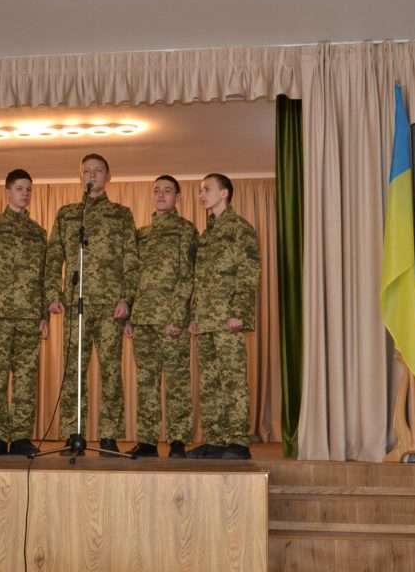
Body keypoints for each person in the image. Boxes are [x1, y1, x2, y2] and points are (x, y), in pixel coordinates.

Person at [45, 153, 138, 454]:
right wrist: (54, 295)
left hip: (111, 306)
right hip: (76, 305)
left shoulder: (121, 214)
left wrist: (126, 298)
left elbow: (131, 259)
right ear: (80, 176)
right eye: (87, 171)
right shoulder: (67, 214)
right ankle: (74, 433)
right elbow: (53, 258)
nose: (93, 175)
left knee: (111, 371)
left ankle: (109, 435)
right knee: (73, 371)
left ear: (108, 177)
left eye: (99, 171)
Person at [0, 169, 49, 457]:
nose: (25, 193)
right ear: (7, 192)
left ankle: (22, 437)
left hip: (29, 316)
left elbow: (45, 276)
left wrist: (44, 314)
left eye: (28, 189)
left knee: (26, 378)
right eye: (19, 188)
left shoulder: (38, 233)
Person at [123, 175, 198, 458]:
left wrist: (178, 318)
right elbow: (133, 276)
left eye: (167, 190)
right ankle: (148, 441)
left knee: (177, 381)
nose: (161, 195)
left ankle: (178, 440)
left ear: (177, 196)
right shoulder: (141, 234)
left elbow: (188, 276)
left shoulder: (185, 230)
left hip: (170, 319)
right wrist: (130, 317)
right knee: (146, 382)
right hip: (143, 319)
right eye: (156, 190)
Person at [188, 173, 261, 459]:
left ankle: (239, 441)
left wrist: (238, 312)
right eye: (200, 190)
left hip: (228, 318)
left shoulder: (240, 228)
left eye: (207, 189)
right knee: (210, 381)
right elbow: (201, 280)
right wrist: (195, 316)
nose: (202, 194)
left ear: (224, 193)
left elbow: (248, 273)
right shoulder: (207, 235)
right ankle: (216, 439)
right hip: (207, 320)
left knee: (232, 379)